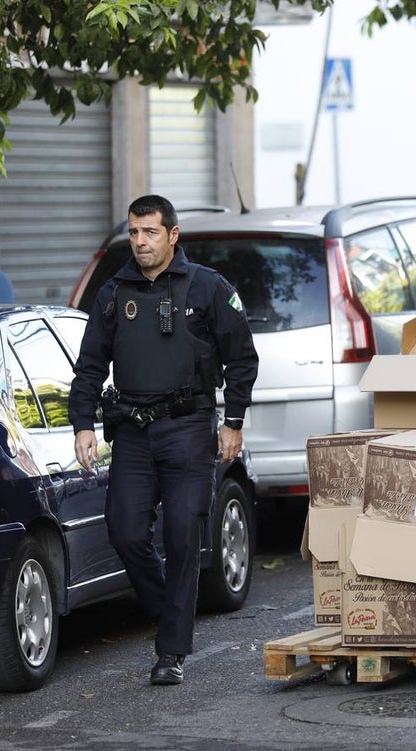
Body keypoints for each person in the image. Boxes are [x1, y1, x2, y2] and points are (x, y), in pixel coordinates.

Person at [68, 194, 258, 686]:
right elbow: (89, 366)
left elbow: (242, 358)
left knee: (182, 532)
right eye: (133, 233)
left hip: (189, 429)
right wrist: (82, 425)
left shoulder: (208, 288)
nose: (140, 242)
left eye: (149, 232)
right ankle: (165, 606)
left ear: (173, 235)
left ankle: (170, 652)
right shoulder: (113, 293)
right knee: (124, 530)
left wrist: (232, 421)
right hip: (132, 431)